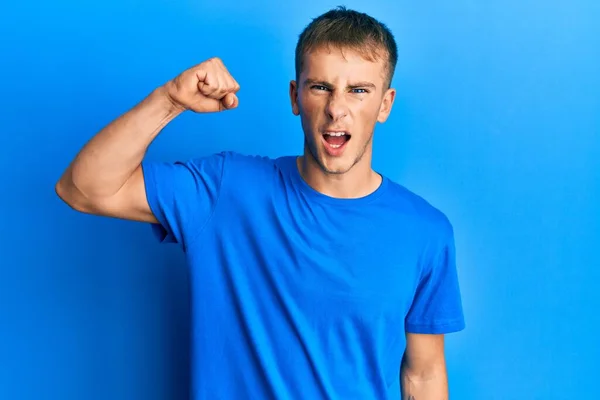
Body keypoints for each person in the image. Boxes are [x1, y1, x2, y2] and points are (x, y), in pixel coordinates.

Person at [56, 6, 465, 400]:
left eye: (358, 91)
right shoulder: (225, 190)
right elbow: (83, 188)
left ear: (385, 104)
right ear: (295, 95)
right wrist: (170, 101)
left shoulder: (425, 231)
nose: (336, 109)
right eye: (320, 87)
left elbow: (423, 372)